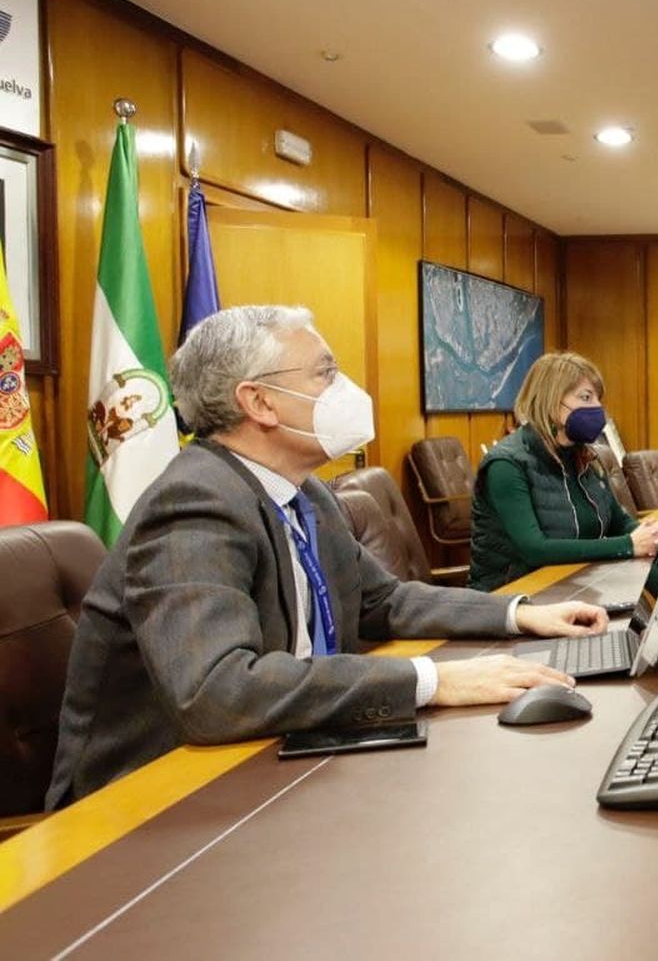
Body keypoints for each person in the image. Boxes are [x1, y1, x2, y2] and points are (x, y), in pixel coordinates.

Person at [48, 306, 605, 807]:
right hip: (157, 802)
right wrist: (432, 682)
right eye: (325, 373)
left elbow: (382, 599)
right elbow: (217, 691)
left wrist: (516, 614)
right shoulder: (195, 501)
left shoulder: (304, 490)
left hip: (282, 753)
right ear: (259, 402)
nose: (346, 390)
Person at [469, 352, 658, 590]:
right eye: (586, 397)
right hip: (514, 597)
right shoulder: (505, 465)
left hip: (576, 581)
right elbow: (535, 550)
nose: (597, 408)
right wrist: (628, 544)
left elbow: (618, 521)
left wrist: (650, 536)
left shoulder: (585, 456)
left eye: (598, 399)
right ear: (551, 401)